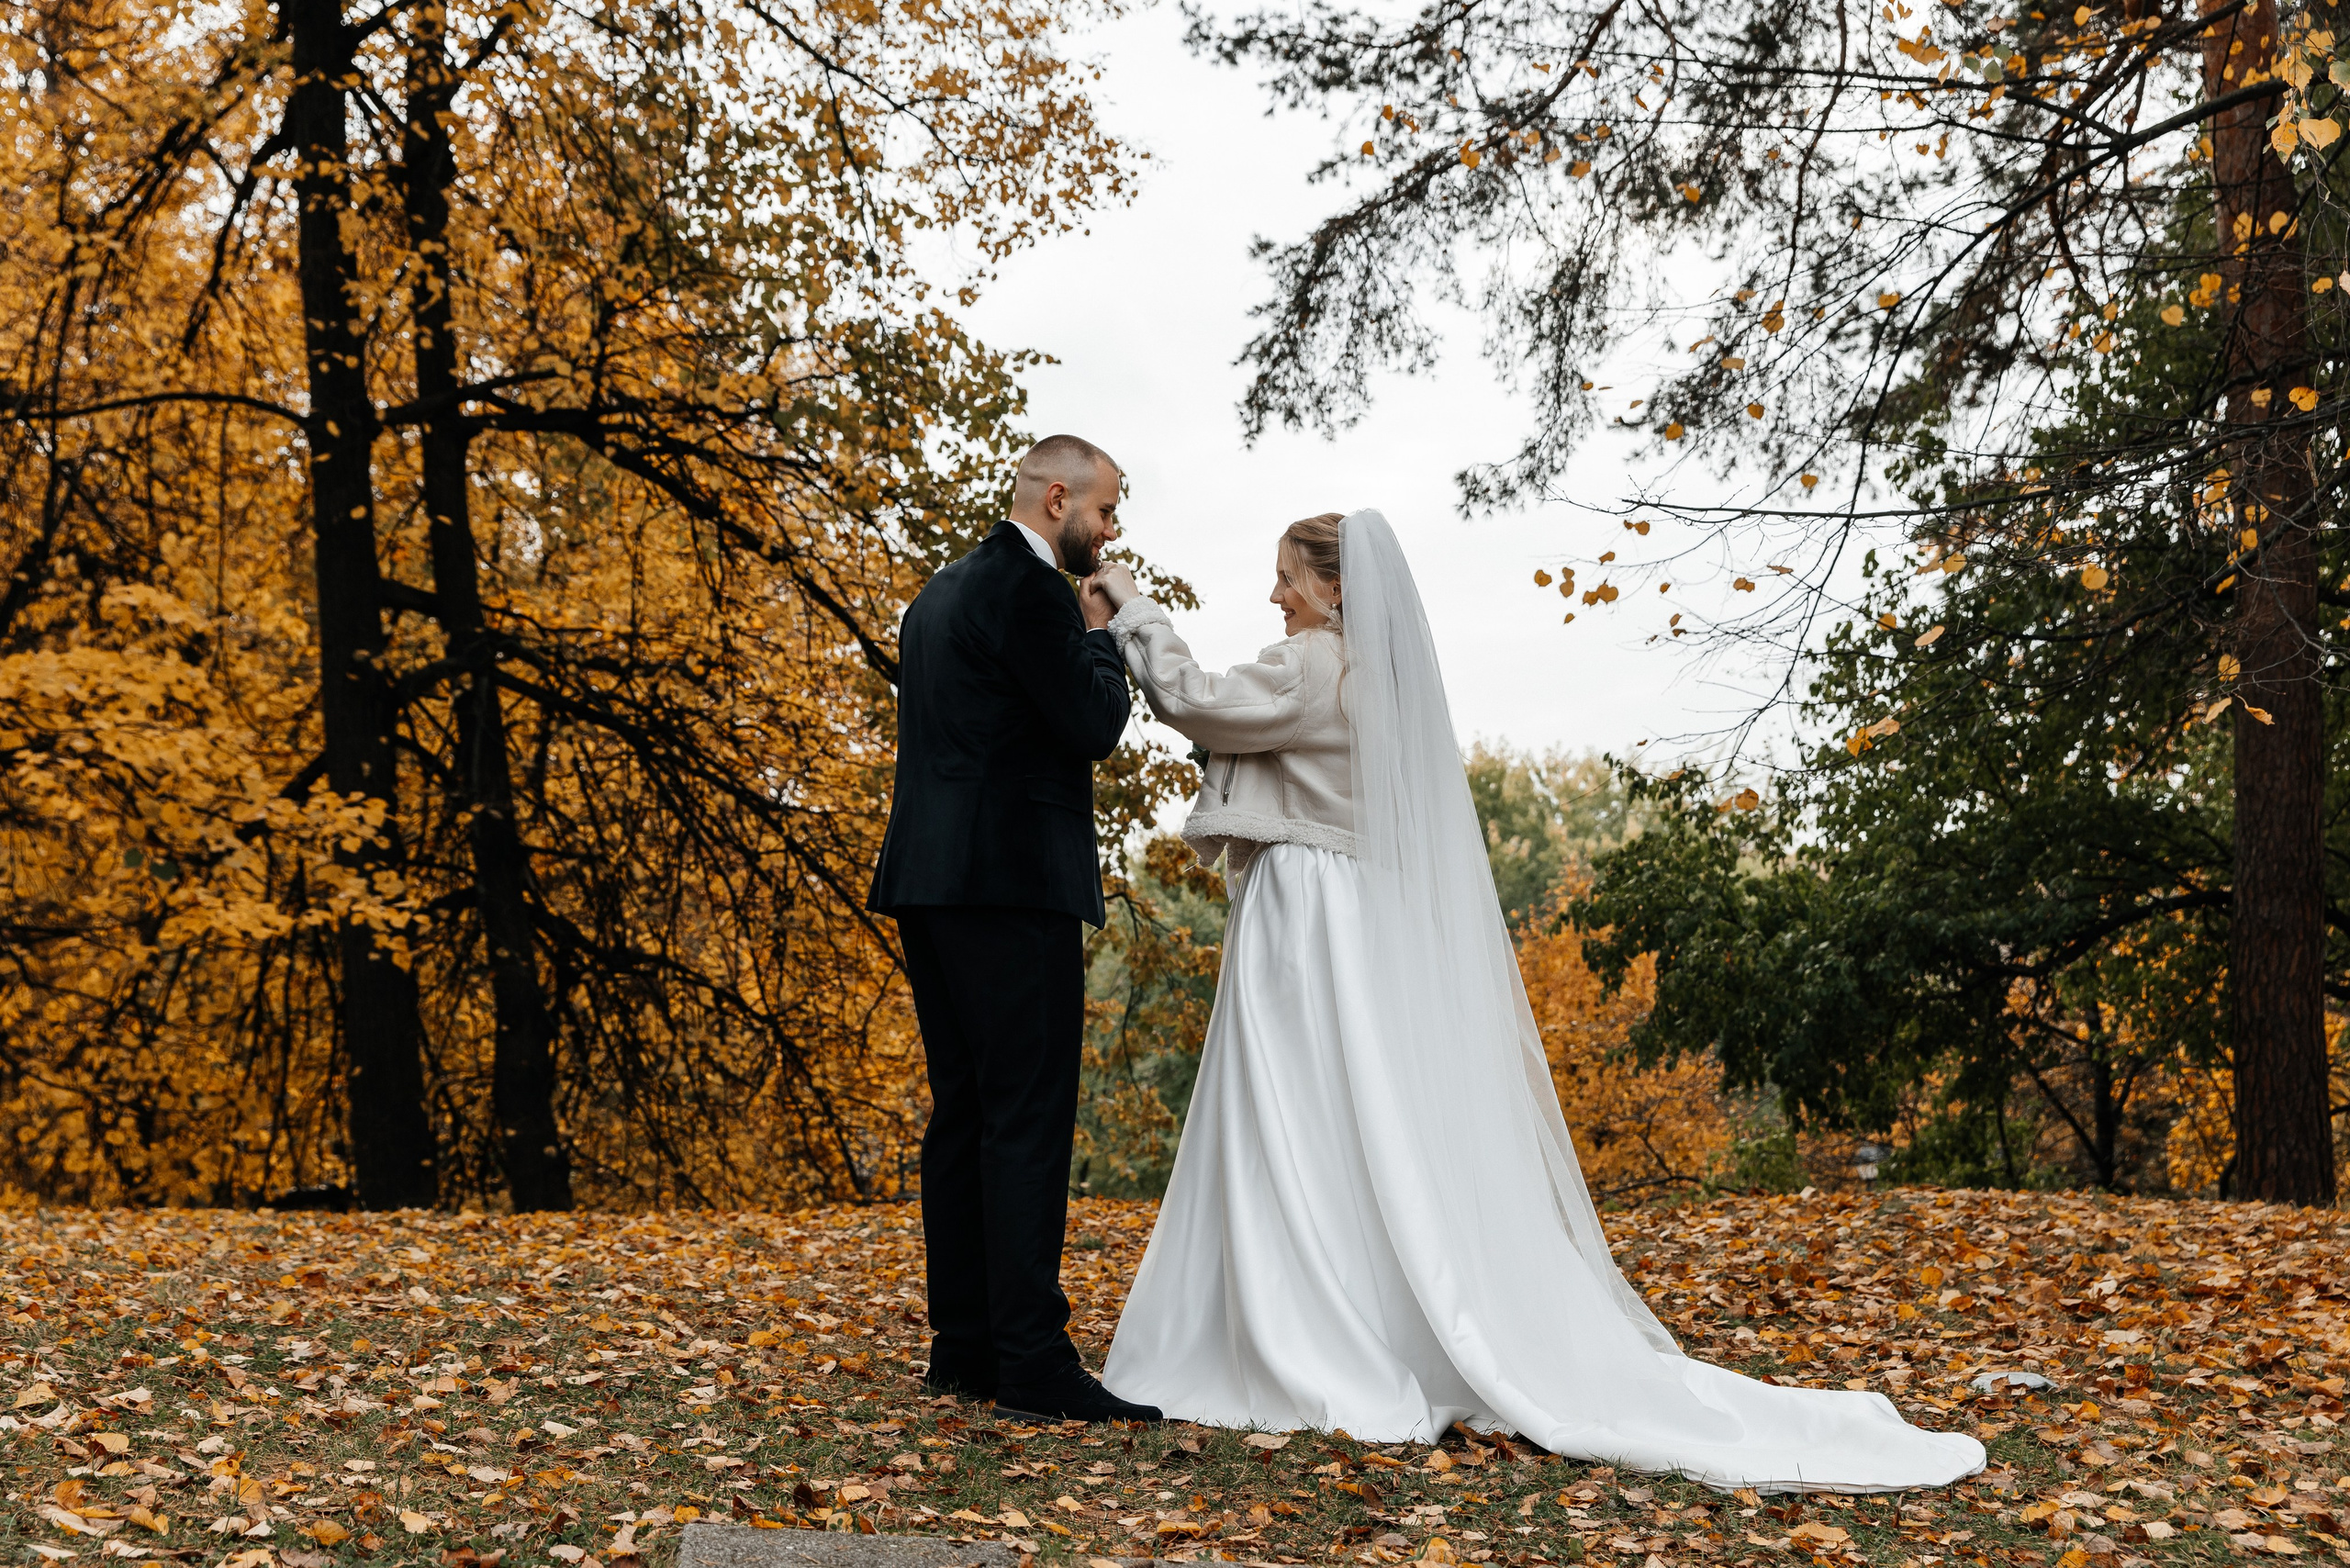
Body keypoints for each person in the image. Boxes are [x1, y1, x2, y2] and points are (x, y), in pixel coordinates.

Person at [1077, 509, 1983, 1490]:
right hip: (1355, 915)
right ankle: (1357, 1306)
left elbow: (1198, 702)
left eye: (1287, 577)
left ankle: (1303, 1326)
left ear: (1335, 589)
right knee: (1347, 1117)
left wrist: (1131, 606)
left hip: (1305, 919)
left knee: (1291, 1115)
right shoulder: (1378, 680)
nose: (1275, 595)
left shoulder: (1311, 666)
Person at [867, 434, 1162, 1427]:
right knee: (1026, 1118)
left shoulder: (937, 594)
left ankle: (965, 1347)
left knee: (963, 1115)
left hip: (928, 881)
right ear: (1056, 498)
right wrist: (1098, 632)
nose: (1112, 529)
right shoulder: (1033, 590)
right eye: (1106, 510)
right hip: (1012, 885)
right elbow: (1093, 724)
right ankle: (1032, 1361)